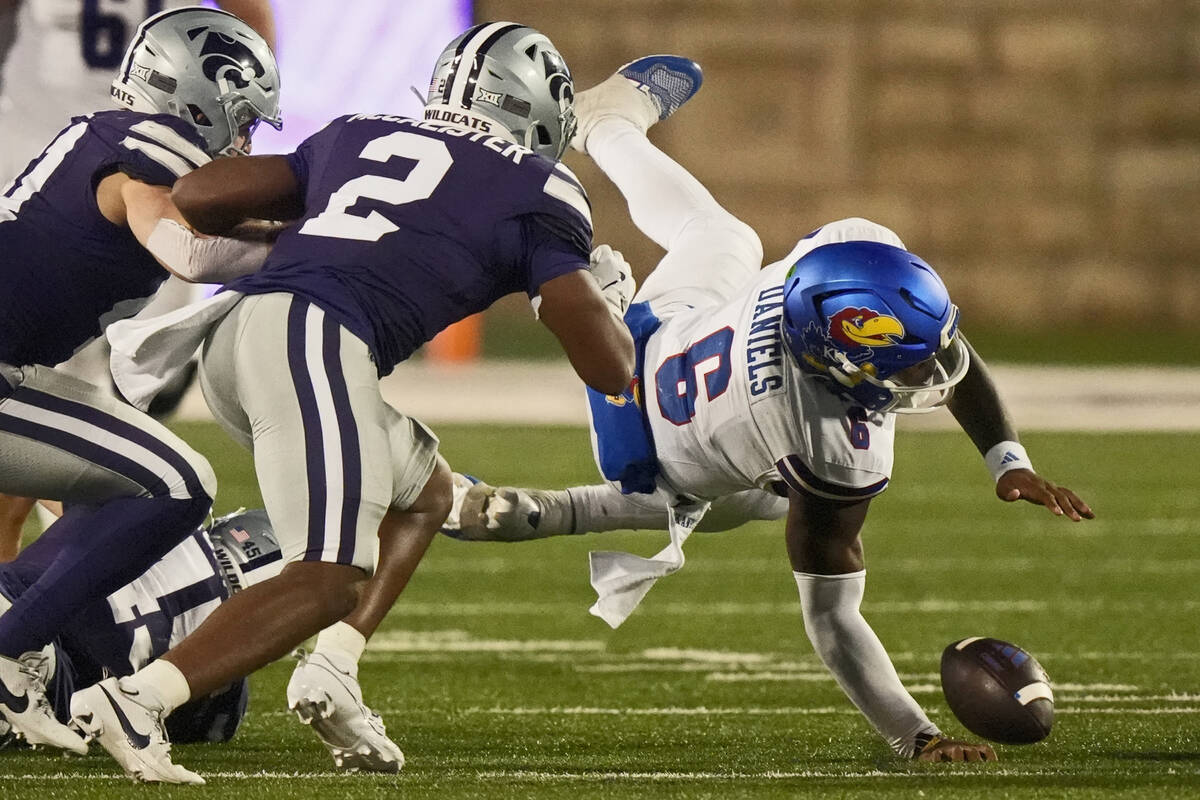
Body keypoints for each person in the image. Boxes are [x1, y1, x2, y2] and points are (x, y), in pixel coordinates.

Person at [442, 57, 1095, 763]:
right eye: (900, 365)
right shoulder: (826, 440)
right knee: (745, 499)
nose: (924, 374)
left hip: (648, 344)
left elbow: (938, 345)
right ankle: (546, 505)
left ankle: (602, 132)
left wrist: (1007, 459)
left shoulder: (835, 262)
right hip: (643, 444)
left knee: (728, 241)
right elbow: (833, 621)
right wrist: (918, 737)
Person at [70, 21, 639, 784]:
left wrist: (320, 233)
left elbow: (201, 195)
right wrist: (607, 302)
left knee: (424, 493)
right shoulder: (540, 189)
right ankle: (139, 700)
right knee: (327, 574)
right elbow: (606, 369)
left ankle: (334, 667)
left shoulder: (363, 131)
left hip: (237, 337)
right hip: (311, 341)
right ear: (539, 109)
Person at [0, 5, 281, 756]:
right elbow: (188, 253)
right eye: (243, 118)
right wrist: (293, 247)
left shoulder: (111, 132)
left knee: (116, 475)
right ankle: (8, 645)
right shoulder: (153, 148)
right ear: (203, 97)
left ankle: (16, 627)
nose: (245, 139)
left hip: (12, 370)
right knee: (176, 481)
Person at [0, 509, 283, 750]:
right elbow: (209, 730)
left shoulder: (171, 512)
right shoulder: (226, 684)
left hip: (14, 608)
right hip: (47, 683)